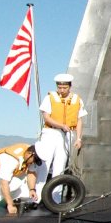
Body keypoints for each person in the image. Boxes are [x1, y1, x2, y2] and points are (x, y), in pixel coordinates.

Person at [39, 73, 88, 202]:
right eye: (59, 87)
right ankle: (37, 198)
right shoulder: (49, 98)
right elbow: (46, 117)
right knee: (44, 164)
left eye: (64, 88)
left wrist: (78, 138)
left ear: (69, 87)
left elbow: (79, 120)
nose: (61, 90)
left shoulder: (77, 100)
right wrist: (60, 125)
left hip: (67, 134)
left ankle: (55, 199)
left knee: (60, 167)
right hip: (50, 132)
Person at [0, 143, 44, 214]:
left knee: (23, 180)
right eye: (35, 160)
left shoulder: (28, 156)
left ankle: (14, 200)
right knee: (16, 183)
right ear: (30, 154)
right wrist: (10, 205)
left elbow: (31, 173)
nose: (34, 162)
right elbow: (3, 183)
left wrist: (32, 190)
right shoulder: (11, 160)